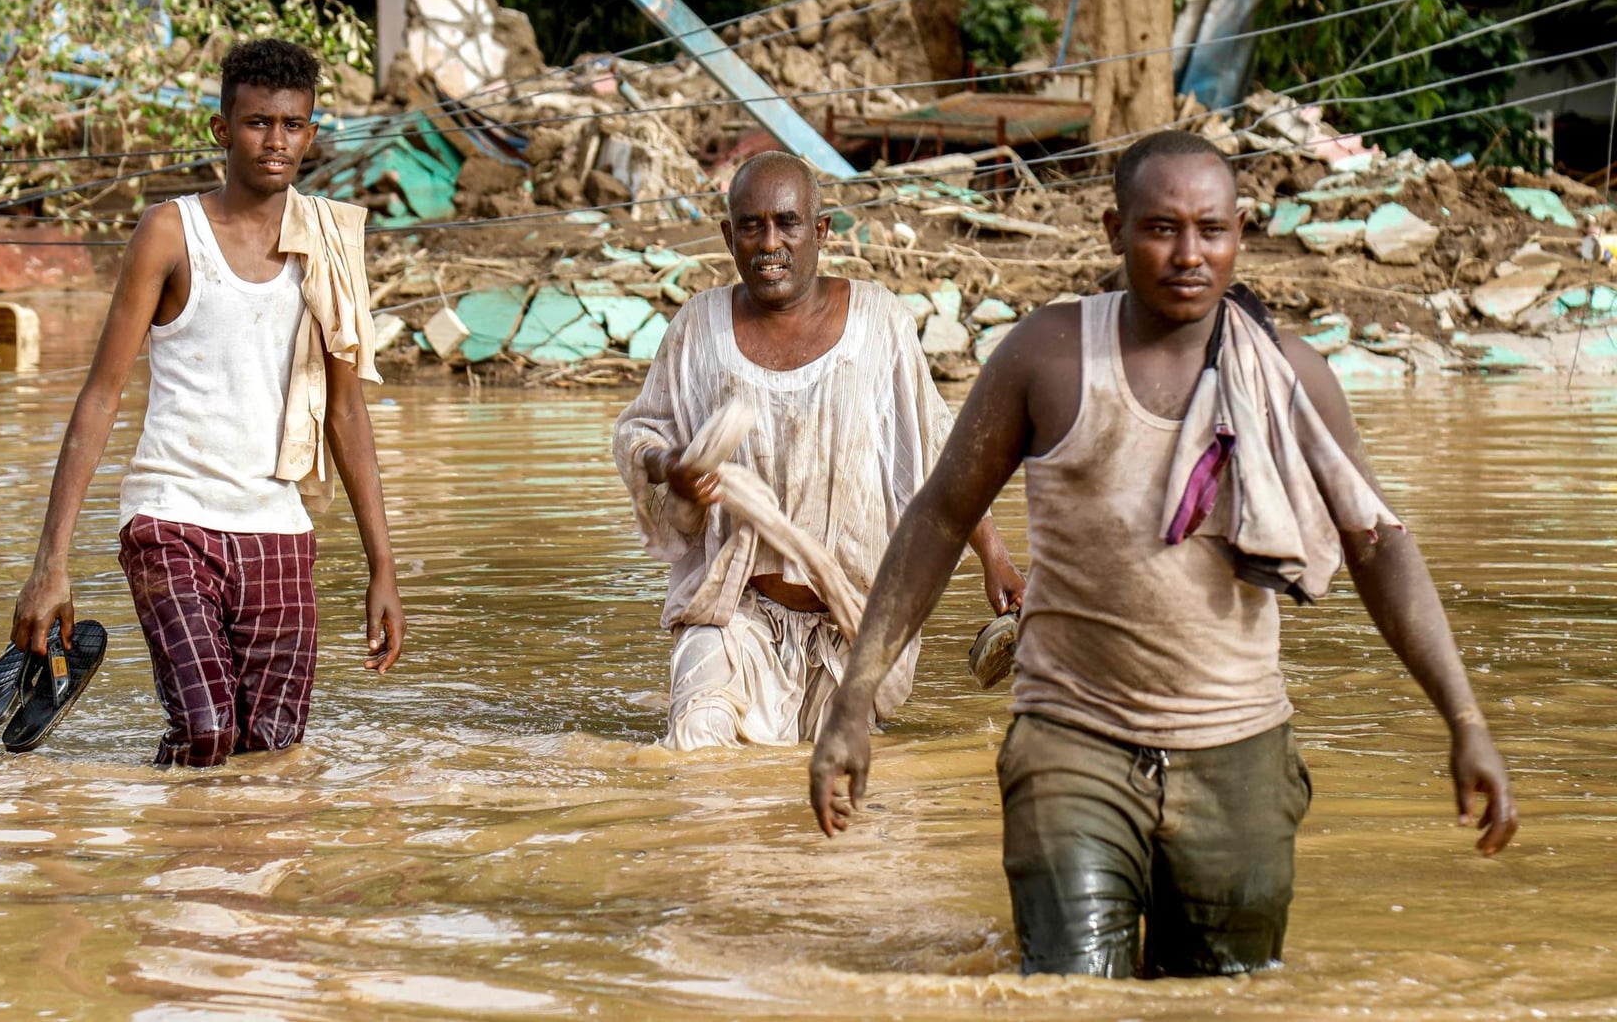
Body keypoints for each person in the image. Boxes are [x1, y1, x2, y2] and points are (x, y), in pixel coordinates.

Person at [809, 129, 1517, 977]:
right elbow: (938, 516)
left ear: (1240, 232)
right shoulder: (1051, 354)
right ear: (1114, 229)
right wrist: (853, 700)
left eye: (1210, 230)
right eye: (1161, 228)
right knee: (1070, 991)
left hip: (1240, 752)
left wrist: (1466, 721)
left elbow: (1380, 548)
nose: (1189, 253)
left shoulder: (1289, 376)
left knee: (1228, 996)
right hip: (1072, 743)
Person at [10, 38, 406, 766]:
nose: (275, 140)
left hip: (278, 527)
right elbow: (101, 394)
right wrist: (51, 562)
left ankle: (232, 874)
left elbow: (348, 411)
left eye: (292, 124)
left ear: (311, 134)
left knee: (275, 752)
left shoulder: (329, 243)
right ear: (222, 130)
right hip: (172, 518)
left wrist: (384, 564)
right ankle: (176, 869)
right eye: (258, 123)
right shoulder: (170, 232)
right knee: (207, 730)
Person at [613, 151, 1026, 750]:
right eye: (751, 226)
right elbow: (641, 433)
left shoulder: (877, 324)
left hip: (852, 623)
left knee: (837, 776)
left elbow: (938, 449)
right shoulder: (698, 328)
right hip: (736, 612)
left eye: (788, 223)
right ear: (729, 237)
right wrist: (672, 472)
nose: (769, 243)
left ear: (821, 230)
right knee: (698, 740)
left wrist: (995, 557)